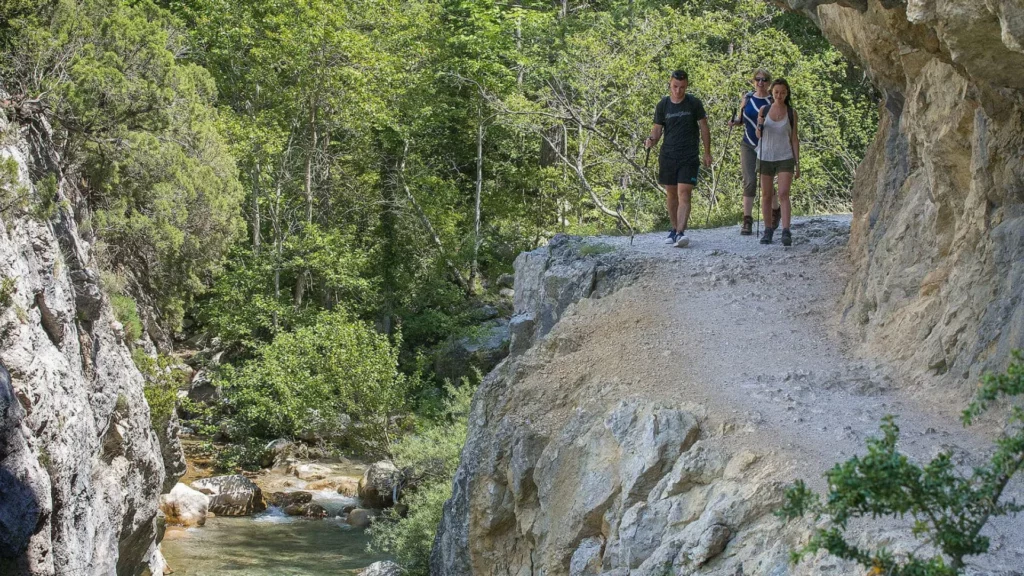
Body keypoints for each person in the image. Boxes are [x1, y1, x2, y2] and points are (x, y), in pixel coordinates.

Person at [644, 69, 712, 248]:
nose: (678, 91)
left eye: (682, 87)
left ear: (686, 85)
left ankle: (681, 232)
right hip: (668, 156)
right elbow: (657, 130)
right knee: (671, 193)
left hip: (689, 155)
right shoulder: (663, 105)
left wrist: (707, 152)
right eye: (675, 86)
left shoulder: (694, 103)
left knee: (684, 192)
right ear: (670, 84)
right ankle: (674, 229)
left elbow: (704, 127)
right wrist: (651, 140)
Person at [727, 69, 780, 235]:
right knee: (749, 181)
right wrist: (735, 122)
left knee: (767, 184)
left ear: (769, 83)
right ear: (753, 81)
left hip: (767, 145)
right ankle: (747, 220)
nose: (761, 82)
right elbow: (743, 119)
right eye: (758, 79)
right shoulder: (748, 98)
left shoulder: (773, 100)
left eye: (764, 79)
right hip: (748, 144)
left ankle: (775, 210)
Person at [755, 78, 800, 246]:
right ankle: (768, 230)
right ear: (771, 93)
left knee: (783, 193)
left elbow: (794, 139)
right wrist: (759, 124)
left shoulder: (791, 112)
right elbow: (758, 135)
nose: (779, 95)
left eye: (782, 92)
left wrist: (797, 164)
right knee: (766, 195)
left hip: (785, 156)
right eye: (776, 92)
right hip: (765, 155)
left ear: (787, 93)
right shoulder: (764, 110)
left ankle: (786, 230)